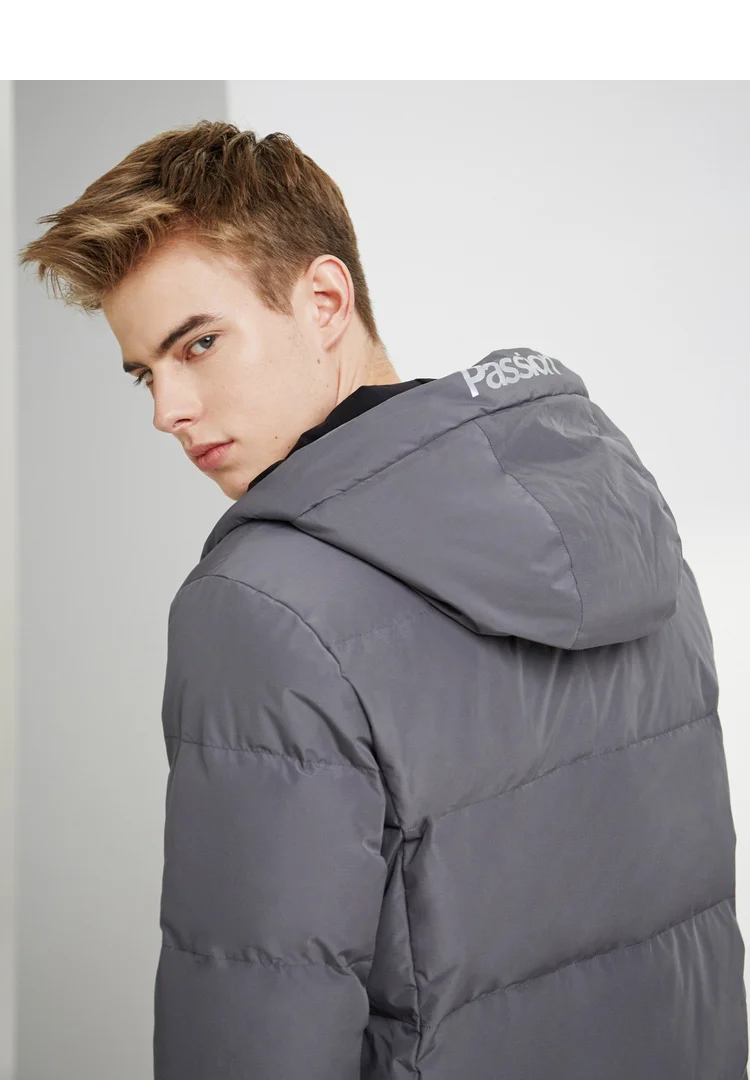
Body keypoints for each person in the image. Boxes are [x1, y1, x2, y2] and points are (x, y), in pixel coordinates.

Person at [19, 120, 748, 1079]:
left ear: (324, 300)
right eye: (145, 374)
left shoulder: (259, 606)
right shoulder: (622, 516)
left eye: (198, 343)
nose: (168, 410)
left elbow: (259, 1022)